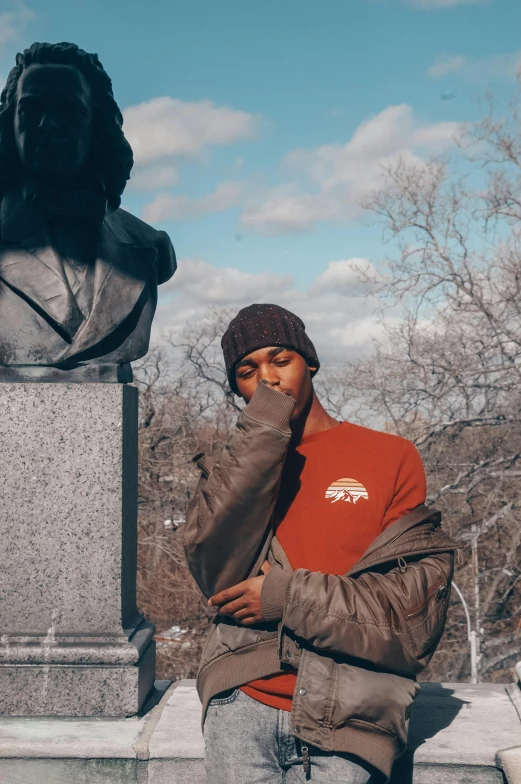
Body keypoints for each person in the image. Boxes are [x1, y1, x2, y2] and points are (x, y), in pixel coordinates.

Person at [183, 303, 458, 783]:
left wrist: (285, 596)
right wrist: (266, 429)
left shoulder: (389, 456)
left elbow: (408, 620)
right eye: (248, 372)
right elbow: (217, 574)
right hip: (242, 699)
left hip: (351, 711)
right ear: (237, 390)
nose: (267, 379)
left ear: (309, 361)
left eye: (280, 359)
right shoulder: (230, 473)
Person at [0, 42, 175, 373]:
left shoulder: (149, 244)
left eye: (69, 111)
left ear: (97, 126)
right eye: (31, 109)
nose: (47, 126)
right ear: (11, 122)